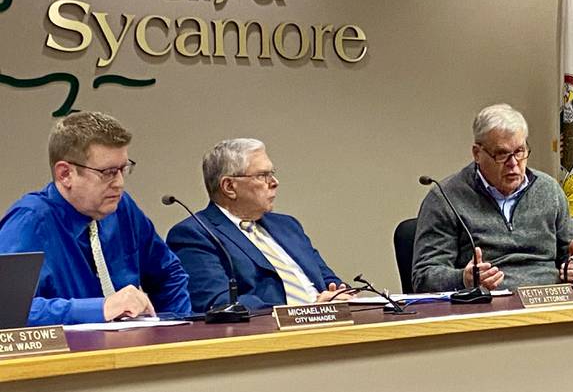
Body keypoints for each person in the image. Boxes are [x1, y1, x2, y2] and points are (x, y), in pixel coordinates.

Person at [0, 112, 191, 326]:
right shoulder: (30, 221)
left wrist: (174, 334)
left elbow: (169, 274)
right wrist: (100, 308)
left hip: (130, 353)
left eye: (123, 169)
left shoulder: (121, 207)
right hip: (65, 355)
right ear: (65, 174)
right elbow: (7, 310)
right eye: (108, 172)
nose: (119, 183)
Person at [412, 103, 573, 292]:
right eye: (502, 154)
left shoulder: (549, 190)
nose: (514, 164)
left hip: (550, 301)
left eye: (519, 151)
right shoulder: (445, 198)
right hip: (488, 307)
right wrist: (463, 279)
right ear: (477, 153)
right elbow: (424, 277)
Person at [167, 138, 350, 312]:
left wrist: (338, 295)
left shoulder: (287, 225)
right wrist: (303, 310)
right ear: (229, 187)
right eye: (263, 175)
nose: (274, 182)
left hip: (328, 326)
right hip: (269, 335)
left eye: (272, 174)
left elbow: (328, 279)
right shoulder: (194, 234)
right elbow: (220, 303)